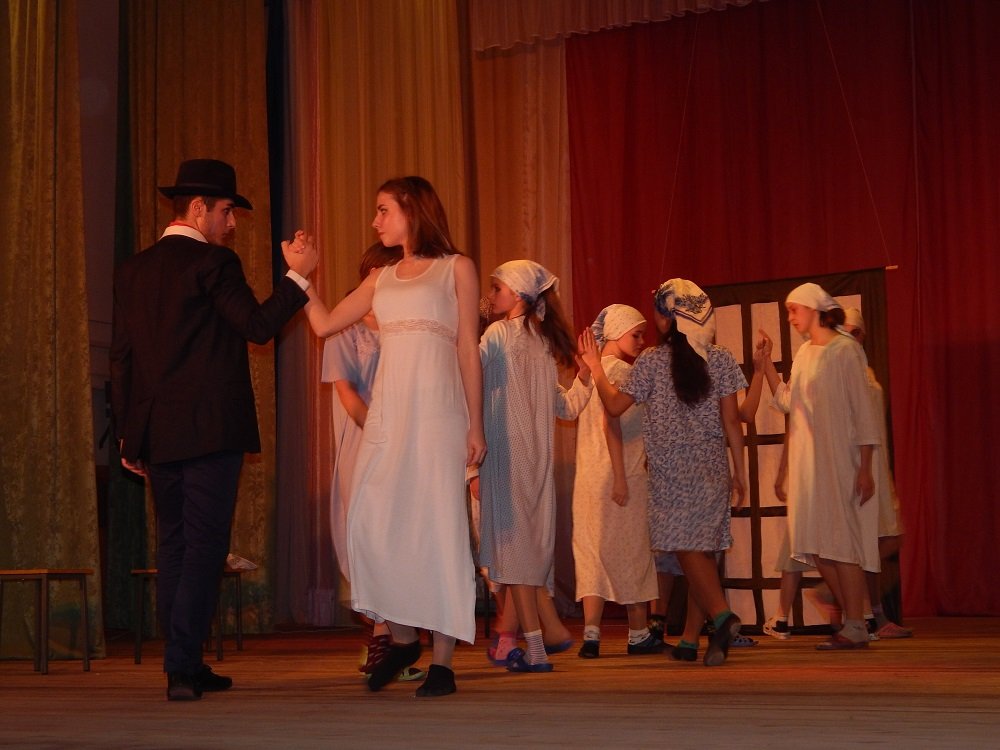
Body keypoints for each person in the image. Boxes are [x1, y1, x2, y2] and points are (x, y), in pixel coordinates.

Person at [110, 159, 318, 701]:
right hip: (209, 429)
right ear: (198, 208)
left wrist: (130, 433)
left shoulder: (133, 269)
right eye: (226, 211)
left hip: (158, 430)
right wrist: (299, 275)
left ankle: (184, 662)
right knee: (203, 546)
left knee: (175, 545)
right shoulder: (214, 262)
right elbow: (257, 326)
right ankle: (183, 665)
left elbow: (122, 358)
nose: (230, 223)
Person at [301, 176, 485, 698]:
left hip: (439, 416)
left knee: (439, 527)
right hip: (388, 417)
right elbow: (324, 324)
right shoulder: (380, 278)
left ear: (412, 209)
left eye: (383, 210)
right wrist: (301, 278)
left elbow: (467, 350)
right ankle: (402, 637)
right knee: (371, 521)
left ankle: (443, 662)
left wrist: (475, 424)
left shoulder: (456, 268)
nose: (375, 221)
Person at [580, 278, 748, 667]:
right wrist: (740, 472)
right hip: (712, 468)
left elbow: (614, 406)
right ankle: (691, 639)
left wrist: (595, 367)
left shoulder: (653, 361)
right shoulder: (720, 357)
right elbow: (732, 422)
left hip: (670, 472)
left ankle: (722, 617)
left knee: (688, 550)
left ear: (665, 318)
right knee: (700, 554)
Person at [474, 260, 592, 673]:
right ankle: (538, 645)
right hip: (535, 461)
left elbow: (466, 370)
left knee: (515, 554)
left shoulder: (499, 335)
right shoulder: (541, 343)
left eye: (498, 288)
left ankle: (537, 649)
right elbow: (568, 406)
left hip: (507, 457)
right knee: (522, 555)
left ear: (518, 294)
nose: (492, 295)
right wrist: (585, 377)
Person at [320, 242, 422, 678]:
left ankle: (391, 639)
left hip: (406, 444)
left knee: (401, 535)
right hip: (365, 443)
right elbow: (347, 393)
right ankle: (384, 637)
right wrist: (380, 432)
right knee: (368, 534)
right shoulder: (345, 328)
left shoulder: (405, 325)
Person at [763, 283, 881, 650]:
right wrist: (765, 366)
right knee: (816, 546)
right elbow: (788, 402)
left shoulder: (846, 350)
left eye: (794, 310)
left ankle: (855, 623)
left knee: (840, 543)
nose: (790, 318)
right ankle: (853, 622)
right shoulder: (804, 354)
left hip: (838, 460)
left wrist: (865, 467)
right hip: (807, 465)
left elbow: (863, 412)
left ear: (814, 309)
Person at [572, 304, 663, 659]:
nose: (641, 342)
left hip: (589, 478)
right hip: (621, 475)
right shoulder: (624, 373)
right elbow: (610, 423)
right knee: (632, 551)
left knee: (593, 552)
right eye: (636, 334)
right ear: (616, 333)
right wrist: (622, 478)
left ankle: (591, 634)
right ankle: (638, 633)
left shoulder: (590, 375)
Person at [842, 307, 912, 639]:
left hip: (877, 463)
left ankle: (866, 610)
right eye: (847, 333)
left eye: (855, 333)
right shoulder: (845, 371)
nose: (852, 338)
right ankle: (872, 615)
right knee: (870, 540)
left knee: (888, 537)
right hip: (860, 464)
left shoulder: (864, 369)